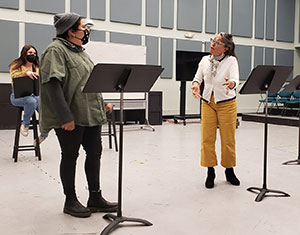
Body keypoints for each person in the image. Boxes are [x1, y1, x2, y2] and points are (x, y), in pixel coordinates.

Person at [39, 12, 117, 218]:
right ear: (70, 31)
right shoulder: (55, 51)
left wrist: (103, 104)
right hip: (71, 115)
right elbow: (52, 85)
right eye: (83, 28)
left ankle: (95, 197)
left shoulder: (81, 52)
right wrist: (64, 117)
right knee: (70, 155)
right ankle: (70, 200)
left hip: (90, 113)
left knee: (94, 153)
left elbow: (87, 83)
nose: (86, 31)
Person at [192, 33, 240, 189]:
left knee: (228, 139)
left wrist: (231, 84)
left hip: (226, 103)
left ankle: (229, 169)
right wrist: (195, 85)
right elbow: (197, 77)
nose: (212, 44)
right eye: (212, 41)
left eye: (217, 42)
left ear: (225, 48)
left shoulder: (231, 61)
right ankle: (210, 171)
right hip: (207, 102)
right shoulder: (205, 60)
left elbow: (235, 79)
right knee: (207, 138)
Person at [9, 45, 48, 146]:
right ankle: (25, 125)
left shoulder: (37, 66)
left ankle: (43, 135)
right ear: (24, 53)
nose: (33, 55)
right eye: (30, 53)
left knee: (46, 111)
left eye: (34, 53)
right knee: (31, 101)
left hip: (34, 95)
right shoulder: (16, 64)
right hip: (17, 96)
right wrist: (26, 73)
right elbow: (14, 75)